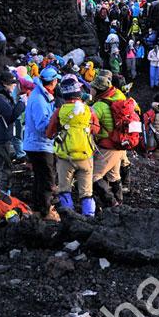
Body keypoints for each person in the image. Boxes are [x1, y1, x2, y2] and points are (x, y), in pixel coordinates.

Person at [45, 75, 100, 217]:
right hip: (85, 155)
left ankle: (69, 217)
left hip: (65, 157)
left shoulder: (59, 111)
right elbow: (96, 129)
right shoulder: (89, 110)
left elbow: (49, 133)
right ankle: (89, 217)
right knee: (87, 192)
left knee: (64, 189)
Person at [24, 66, 62, 222]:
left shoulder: (40, 95)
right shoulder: (40, 99)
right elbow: (42, 126)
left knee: (40, 179)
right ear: (53, 82)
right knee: (47, 179)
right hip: (40, 145)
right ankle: (46, 212)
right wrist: (56, 120)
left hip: (36, 144)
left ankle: (38, 209)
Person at [90, 72, 126, 208]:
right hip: (120, 145)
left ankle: (112, 203)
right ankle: (120, 204)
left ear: (98, 90)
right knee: (114, 175)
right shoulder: (118, 96)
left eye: (92, 88)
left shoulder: (99, 106)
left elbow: (88, 122)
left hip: (108, 146)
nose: (90, 90)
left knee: (94, 176)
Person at [0, 71, 26, 195]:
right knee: (4, 168)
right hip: (0, 138)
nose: (14, 85)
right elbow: (10, 117)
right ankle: (2, 195)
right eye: (11, 83)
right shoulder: (0, 98)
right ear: (4, 84)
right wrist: (21, 104)